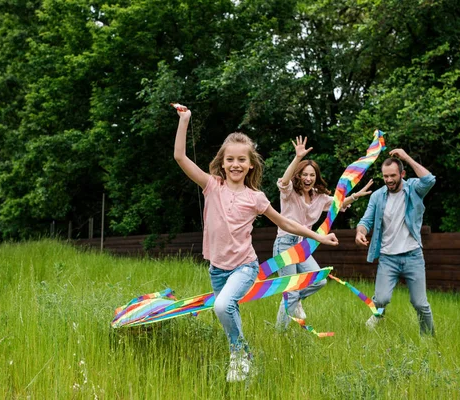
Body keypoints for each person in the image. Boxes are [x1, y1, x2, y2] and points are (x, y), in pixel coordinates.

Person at [174, 107, 339, 382]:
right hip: (217, 268)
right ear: (222, 163)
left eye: (242, 159)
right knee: (228, 312)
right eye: (230, 159)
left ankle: (240, 355)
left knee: (221, 305)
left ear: (251, 164)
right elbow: (180, 156)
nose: (235, 164)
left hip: (244, 266)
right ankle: (241, 358)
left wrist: (318, 236)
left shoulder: (256, 197)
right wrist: (185, 120)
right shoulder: (211, 186)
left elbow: (286, 223)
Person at [274, 136, 373, 330]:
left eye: (312, 175)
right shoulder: (289, 193)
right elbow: (284, 182)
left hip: (303, 246)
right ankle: (279, 334)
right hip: (285, 244)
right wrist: (297, 158)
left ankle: (296, 300)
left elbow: (337, 204)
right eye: (304, 174)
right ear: (299, 176)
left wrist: (354, 196)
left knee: (319, 280)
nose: (308, 178)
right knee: (291, 292)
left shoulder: (319, 197)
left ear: (316, 177)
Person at [355, 149, 436, 335]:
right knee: (381, 299)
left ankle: (428, 340)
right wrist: (360, 232)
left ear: (402, 174)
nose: (389, 180)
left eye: (393, 175)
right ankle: (378, 315)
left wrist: (406, 157)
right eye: (385, 176)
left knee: (420, 303)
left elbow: (430, 180)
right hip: (387, 258)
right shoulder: (377, 196)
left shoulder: (414, 189)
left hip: (413, 256)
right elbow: (365, 221)